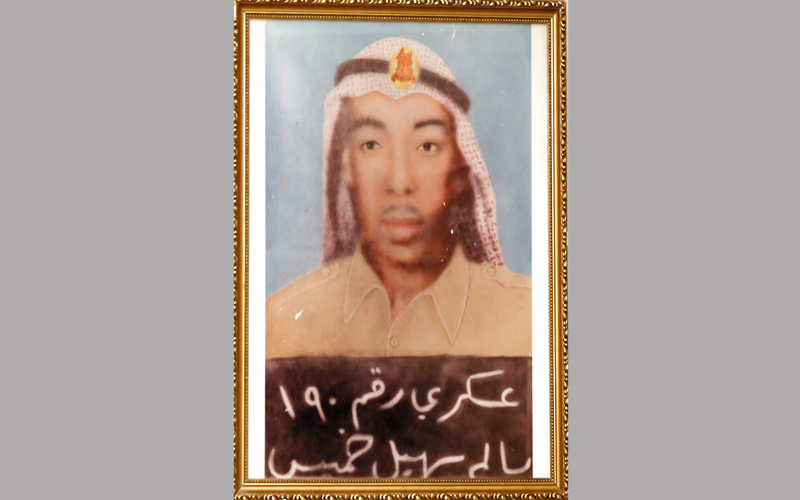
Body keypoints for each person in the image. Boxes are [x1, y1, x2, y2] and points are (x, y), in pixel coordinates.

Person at [265, 38, 532, 358]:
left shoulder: (529, 320)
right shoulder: (279, 324)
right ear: (346, 165)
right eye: (371, 145)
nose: (400, 182)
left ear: (458, 166)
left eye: (427, 146)